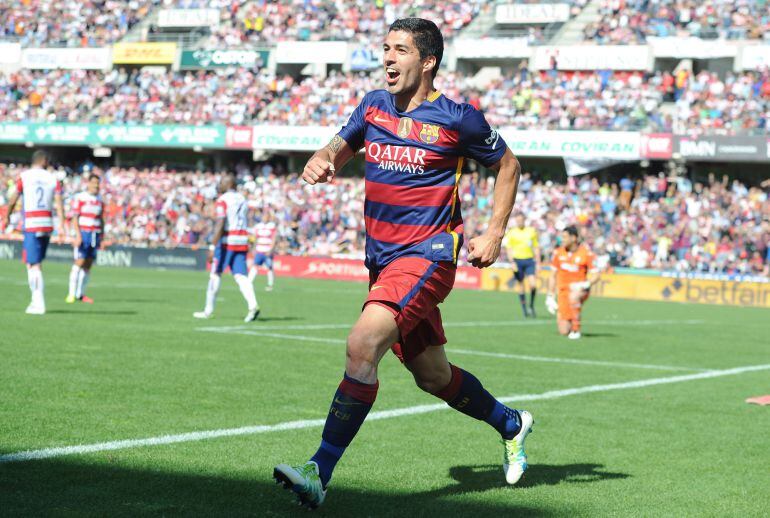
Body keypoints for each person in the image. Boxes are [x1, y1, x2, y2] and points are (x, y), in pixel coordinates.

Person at [273, 18, 532, 509]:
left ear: (427, 61)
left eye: (400, 51)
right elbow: (339, 144)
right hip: (384, 261)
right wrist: (322, 158)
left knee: (361, 343)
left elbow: (509, 165)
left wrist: (494, 231)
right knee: (433, 376)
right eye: (385, 48)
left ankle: (317, 473)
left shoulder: (459, 118)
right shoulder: (373, 105)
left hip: (428, 257)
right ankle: (512, 423)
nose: (388, 58)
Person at [1, 150, 64, 315]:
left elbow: (14, 197)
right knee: (37, 263)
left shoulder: (25, 176)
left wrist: (7, 216)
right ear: (43, 161)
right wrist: (62, 224)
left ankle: (38, 302)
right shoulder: (53, 178)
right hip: (47, 223)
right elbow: (58, 201)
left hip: (31, 223)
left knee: (32, 264)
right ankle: (36, 301)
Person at [193, 174, 260, 322]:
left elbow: (221, 223)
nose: (219, 185)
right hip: (242, 239)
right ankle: (253, 305)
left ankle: (208, 310)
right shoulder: (242, 198)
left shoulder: (223, 200)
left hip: (227, 240)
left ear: (228, 184)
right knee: (241, 275)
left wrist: (212, 246)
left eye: (221, 182)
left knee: (215, 274)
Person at [545, 226, 600, 340]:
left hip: (580, 289)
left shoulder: (586, 253)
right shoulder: (558, 253)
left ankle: (576, 330)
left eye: (564, 237)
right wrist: (550, 296)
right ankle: (571, 323)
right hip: (563, 292)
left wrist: (585, 284)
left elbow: (596, 275)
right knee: (563, 330)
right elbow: (552, 275)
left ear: (574, 238)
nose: (562, 240)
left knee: (574, 296)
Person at [66, 173, 103, 304]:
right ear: (88, 183)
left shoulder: (99, 199)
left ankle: (80, 294)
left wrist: (102, 237)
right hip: (84, 233)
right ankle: (71, 294)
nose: (96, 185)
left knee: (88, 264)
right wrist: (78, 235)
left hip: (95, 234)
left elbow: (101, 218)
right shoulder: (80, 197)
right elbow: (75, 217)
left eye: (98, 183)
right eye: (94, 183)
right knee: (79, 262)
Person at [503, 213, 540, 317]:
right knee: (521, 285)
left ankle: (531, 305)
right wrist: (512, 262)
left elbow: (536, 247)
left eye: (521, 220)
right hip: (517, 261)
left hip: (529, 260)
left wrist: (538, 263)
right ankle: (524, 310)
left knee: (533, 285)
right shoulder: (511, 232)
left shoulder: (531, 231)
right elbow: (509, 248)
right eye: (518, 220)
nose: (519, 222)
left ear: (524, 220)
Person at [248, 209, 277, 291]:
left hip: (267, 250)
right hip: (259, 250)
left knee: (269, 267)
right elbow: (255, 238)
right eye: (263, 216)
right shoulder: (258, 226)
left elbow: (274, 238)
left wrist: (271, 250)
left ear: (269, 218)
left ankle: (270, 285)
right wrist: (253, 248)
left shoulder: (272, 226)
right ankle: (249, 282)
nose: (264, 218)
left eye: (266, 216)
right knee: (255, 266)